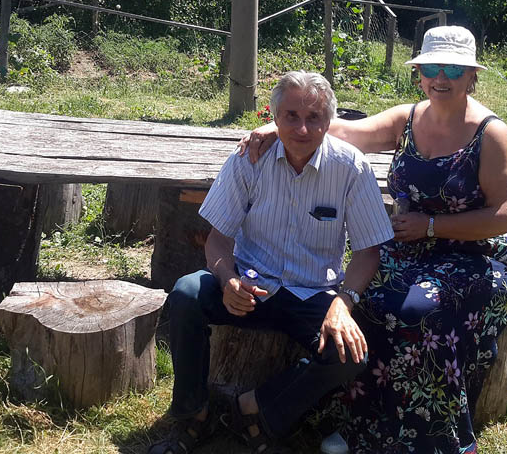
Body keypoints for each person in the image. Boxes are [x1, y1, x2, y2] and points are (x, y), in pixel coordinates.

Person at [240, 26, 507, 453]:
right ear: (419, 73)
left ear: (471, 76)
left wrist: (432, 226)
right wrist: (274, 128)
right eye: (431, 67)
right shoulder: (407, 118)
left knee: (415, 310)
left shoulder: (489, 132)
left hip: (472, 252)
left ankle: (421, 434)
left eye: (453, 69)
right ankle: (357, 422)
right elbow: (340, 131)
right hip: (408, 244)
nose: (440, 77)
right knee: (360, 300)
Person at [150, 71, 395, 454]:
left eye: (314, 117)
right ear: (274, 117)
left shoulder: (351, 167)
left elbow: (368, 251)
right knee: (186, 293)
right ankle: (192, 414)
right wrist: (227, 278)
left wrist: (343, 303)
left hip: (312, 291)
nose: (302, 128)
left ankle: (256, 408)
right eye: (291, 116)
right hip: (251, 283)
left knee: (350, 352)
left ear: (330, 121)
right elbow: (218, 238)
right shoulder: (249, 159)